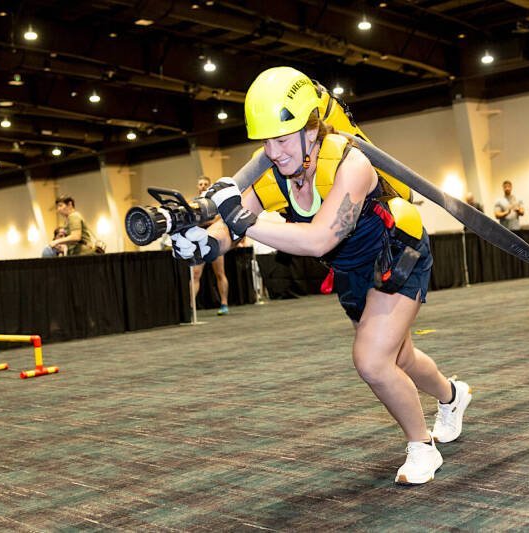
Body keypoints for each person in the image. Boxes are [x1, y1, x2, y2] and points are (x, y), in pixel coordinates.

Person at [173, 66, 471, 486]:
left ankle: (422, 446)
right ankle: (452, 397)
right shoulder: (276, 175)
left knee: (371, 360)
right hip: (351, 272)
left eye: (281, 139)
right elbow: (231, 226)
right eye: (265, 143)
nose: (273, 153)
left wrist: (236, 217)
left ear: (311, 130)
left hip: (397, 254)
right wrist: (205, 243)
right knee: (398, 358)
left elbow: (317, 239)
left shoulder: (352, 163)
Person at [191, 176, 230, 316]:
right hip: (199, 241)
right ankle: (191, 308)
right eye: (200, 184)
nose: (202, 186)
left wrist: (207, 222)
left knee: (220, 273)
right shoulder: (194, 203)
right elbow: (193, 221)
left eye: (205, 184)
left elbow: (217, 219)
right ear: (197, 187)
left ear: (210, 186)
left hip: (215, 240)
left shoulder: (216, 202)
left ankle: (224, 303)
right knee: (195, 274)